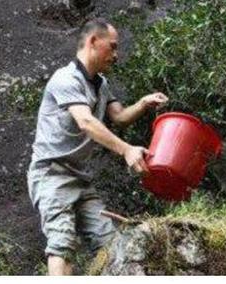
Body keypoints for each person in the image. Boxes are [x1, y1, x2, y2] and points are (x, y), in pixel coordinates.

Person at [27, 18, 168, 275]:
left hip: (81, 179)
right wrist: (126, 150)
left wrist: (144, 103)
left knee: (110, 244)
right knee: (61, 243)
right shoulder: (65, 78)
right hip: (52, 175)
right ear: (93, 41)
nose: (116, 55)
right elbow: (86, 122)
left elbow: (119, 117)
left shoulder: (101, 84)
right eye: (112, 47)